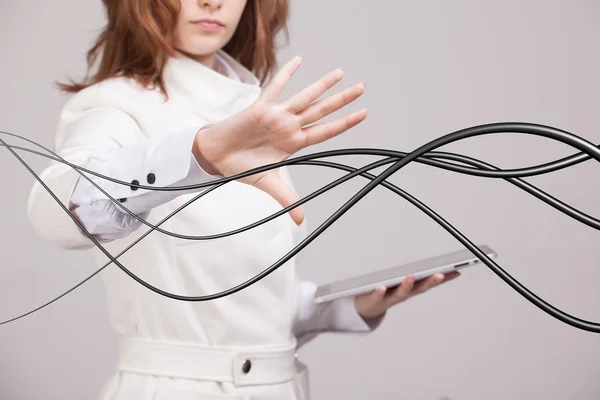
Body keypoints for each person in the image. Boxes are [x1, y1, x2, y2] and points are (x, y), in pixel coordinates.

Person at [27, 0, 459, 398]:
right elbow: (56, 210)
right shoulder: (114, 105)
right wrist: (198, 154)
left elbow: (241, 312)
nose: (211, 1)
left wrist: (347, 307)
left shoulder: (251, 114)